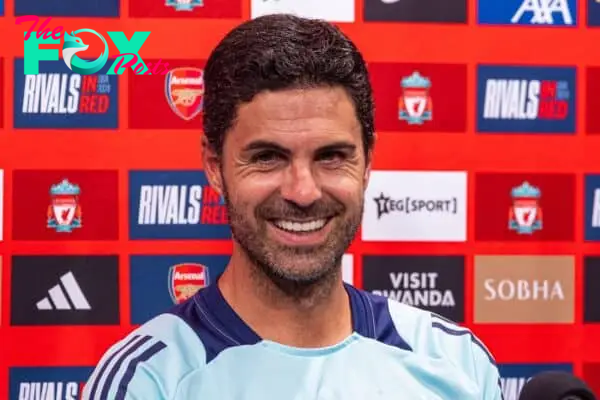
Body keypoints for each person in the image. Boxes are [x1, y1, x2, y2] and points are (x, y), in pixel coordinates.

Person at [83, 14, 504, 400]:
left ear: (368, 162)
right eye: (267, 157)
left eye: (332, 156)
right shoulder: (148, 380)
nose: (303, 192)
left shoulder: (455, 361)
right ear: (215, 165)